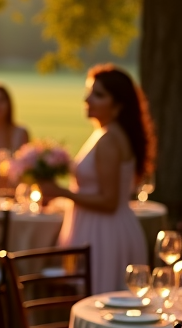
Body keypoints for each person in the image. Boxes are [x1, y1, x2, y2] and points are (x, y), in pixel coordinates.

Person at [42, 65, 154, 294]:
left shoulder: (109, 141)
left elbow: (109, 201)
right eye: (89, 92)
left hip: (105, 235)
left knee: (102, 302)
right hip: (101, 228)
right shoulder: (105, 134)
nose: (88, 99)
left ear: (118, 105)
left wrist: (62, 192)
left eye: (98, 94)